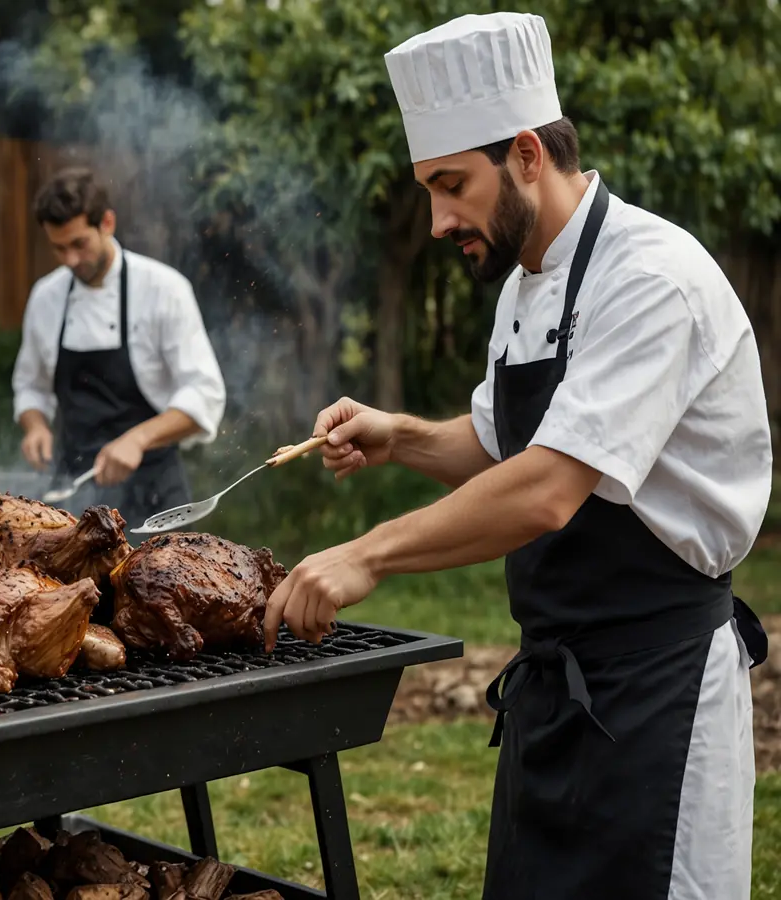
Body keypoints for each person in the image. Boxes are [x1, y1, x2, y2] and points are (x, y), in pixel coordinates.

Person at [262, 11, 772, 899]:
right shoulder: (526, 286)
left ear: (528, 156)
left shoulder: (650, 279)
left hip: (659, 696)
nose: (436, 218)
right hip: (555, 694)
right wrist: (402, 436)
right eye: (428, 189)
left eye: (451, 184)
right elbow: (507, 442)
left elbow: (545, 490)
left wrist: (365, 553)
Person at [11, 167, 226, 533]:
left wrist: (138, 438)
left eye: (79, 244)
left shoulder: (164, 290)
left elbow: (205, 395)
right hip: (75, 499)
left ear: (107, 223)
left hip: (156, 500)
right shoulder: (46, 297)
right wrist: (34, 426)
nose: (70, 260)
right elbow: (30, 384)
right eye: (59, 248)